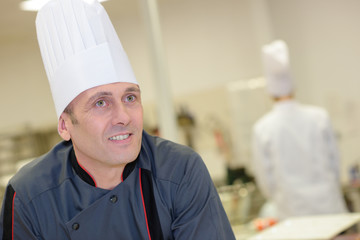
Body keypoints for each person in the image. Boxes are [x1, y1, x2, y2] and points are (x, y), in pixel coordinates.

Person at [0, 0, 235, 239]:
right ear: (64, 125)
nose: (123, 116)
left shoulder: (179, 170)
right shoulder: (29, 195)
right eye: (100, 103)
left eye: (130, 97)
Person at [251, 40, 348, 220]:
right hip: (329, 208)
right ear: (294, 87)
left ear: (270, 93)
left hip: (292, 213)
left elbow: (266, 181)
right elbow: (335, 163)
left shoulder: (263, 128)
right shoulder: (319, 116)